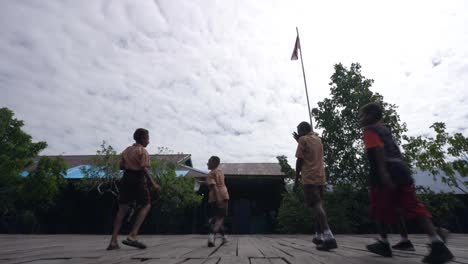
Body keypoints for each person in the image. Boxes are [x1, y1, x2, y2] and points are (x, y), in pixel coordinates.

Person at [359, 102, 453, 263]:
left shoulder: (369, 130)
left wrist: (383, 174)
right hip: (401, 170)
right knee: (413, 207)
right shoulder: (385, 129)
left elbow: (378, 151)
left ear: (371, 115)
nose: (360, 118)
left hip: (386, 172)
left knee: (378, 209)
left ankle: (384, 243)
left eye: (363, 114)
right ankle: (437, 241)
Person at [107, 128, 161, 250]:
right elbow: (144, 168)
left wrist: (129, 163)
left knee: (121, 210)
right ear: (142, 139)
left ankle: (113, 241)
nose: (149, 141)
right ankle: (133, 234)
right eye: (148, 138)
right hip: (138, 179)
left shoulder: (127, 150)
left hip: (126, 178)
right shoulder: (143, 151)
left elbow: (121, 166)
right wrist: (153, 184)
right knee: (147, 204)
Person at [293, 122, 337, 251]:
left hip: (309, 177)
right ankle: (319, 236)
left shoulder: (303, 139)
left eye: (299, 130)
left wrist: (296, 179)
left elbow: (300, 160)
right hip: (320, 177)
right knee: (317, 206)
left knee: (316, 205)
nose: (298, 133)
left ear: (303, 130)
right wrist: (299, 141)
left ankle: (328, 236)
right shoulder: (318, 139)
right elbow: (310, 152)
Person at [206, 156, 230, 247]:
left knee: (218, 218)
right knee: (220, 218)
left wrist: (218, 197)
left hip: (216, 197)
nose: (207, 163)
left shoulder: (210, 174)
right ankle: (212, 236)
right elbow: (217, 184)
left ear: (213, 163)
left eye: (208, 162)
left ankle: (223, 237)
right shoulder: (220, 172)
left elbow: (214, 186)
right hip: (223, 196)